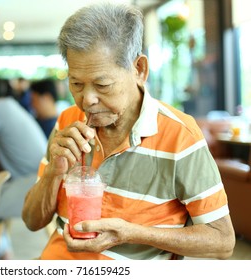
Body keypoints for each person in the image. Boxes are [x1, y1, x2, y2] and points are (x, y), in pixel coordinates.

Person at [22, 2, 235, 260]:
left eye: (102, 84)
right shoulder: (68, 121)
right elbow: (32, 221)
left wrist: (132, 233)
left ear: (139, 69)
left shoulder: (180, 136)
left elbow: (223, 241)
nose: (87, 99)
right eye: (76, 83)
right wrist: (54, 172)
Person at [0, 76, 48, 259]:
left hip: (33, 181)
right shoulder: (9, 106)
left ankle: (0, 254)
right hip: (35, 178)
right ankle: (3, 250)